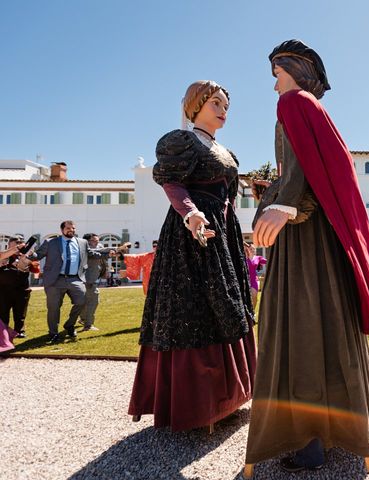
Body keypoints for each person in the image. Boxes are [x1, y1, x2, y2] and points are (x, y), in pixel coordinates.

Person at [244, 40, 369, 477]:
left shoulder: (294, 102)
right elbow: (314, 168)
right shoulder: (313, 108)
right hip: (324, 235)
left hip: (305, 238)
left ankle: (308, 436)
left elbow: (300, 165)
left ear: (293, 70)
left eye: (276, 75)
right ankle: (345, 422)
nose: (275, 87)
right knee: (328, 321)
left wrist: (283, 203)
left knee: (300, 324)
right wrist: (278, 192)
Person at [128, 80, 256, 432]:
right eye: (215, 102)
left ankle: (230, 397)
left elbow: (228, 200)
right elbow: (173, 183)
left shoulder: (228, 153)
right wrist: (190, 213)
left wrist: (237, 237)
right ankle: (199, 405)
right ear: (195, 105)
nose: (222, 109)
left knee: (227, 305)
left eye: (225, 104)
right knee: (194, 309)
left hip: (222, 234)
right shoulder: (181, 142)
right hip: (191, 232)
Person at [35, 221, 101, 342]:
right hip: (55, 280)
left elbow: (91, 253)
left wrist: (110, 253)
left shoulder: (82, 242)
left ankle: (70, 324)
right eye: (68, 228)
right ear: (62, 230)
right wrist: (26, 255)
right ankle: (53, 333)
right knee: (54, 308)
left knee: (82, 301)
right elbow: (38, 255)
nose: (71, 230)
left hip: (75, 278)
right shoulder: (50, 242)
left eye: (73, 228)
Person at [78, 233, 123, 332]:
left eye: (98, 241)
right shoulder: (83, 248)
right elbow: (94, 253)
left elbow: (103, 257)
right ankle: (88, 325)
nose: (97, 243)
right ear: (86, 242)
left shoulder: (99, 246)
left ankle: (83, 319)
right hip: (85, 278)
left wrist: (105, 270)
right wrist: (117, 248)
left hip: (94, 276)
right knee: (92, 301)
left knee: (85, 301)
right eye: (94, 241)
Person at [0, 236, 39, 338]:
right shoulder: (4, 256)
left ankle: (19, 331)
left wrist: (29, 262)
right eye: (14, 247)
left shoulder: (25, 256)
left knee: (20, 313)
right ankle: (4, 332)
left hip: (22, 290)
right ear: (8, 246)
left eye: (19, 247)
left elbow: (36, 270)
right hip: (4, 291)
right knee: (3, 313)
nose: (16, 250)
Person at [244, 243, 266, 309]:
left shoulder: (258, 258)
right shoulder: (244, 258)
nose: (252, 250)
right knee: (245, 297)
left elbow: (267, 261)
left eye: (254, 249)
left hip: (254, 280)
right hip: (245, 280)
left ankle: (253, 311)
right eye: (251, 249)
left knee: (254, 297)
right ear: (248, 250)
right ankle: (247, 311)